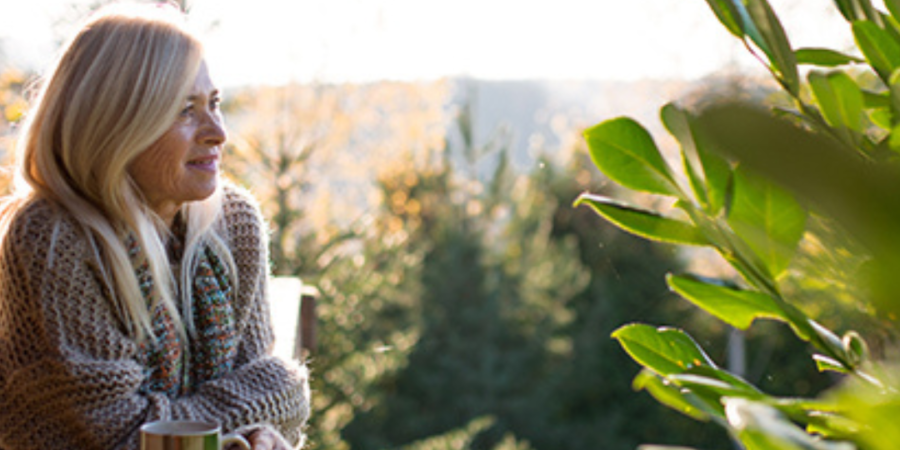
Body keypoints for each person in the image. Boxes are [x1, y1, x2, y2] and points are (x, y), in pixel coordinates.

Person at [0, 3, 309, 449]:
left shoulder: (232, 223)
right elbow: (124, 438)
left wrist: (260, 434)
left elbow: (276, 396)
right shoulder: (53, 239)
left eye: (214, 103)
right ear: (115, 125)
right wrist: (262, 405)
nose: (218, 132)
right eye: (185, 110)